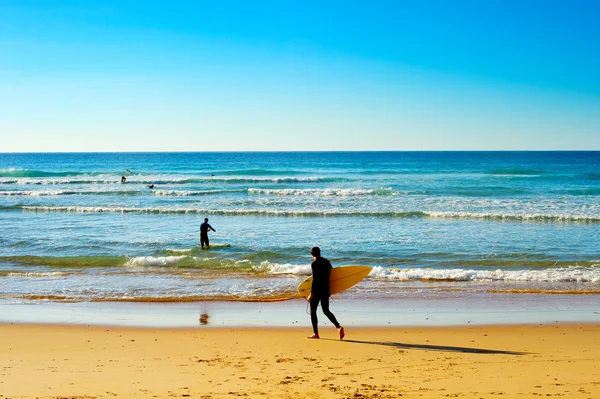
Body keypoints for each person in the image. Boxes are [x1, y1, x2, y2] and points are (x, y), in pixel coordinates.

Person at [307, 246, 345, 340]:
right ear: (320, 252)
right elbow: (332, 276)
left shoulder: (314, 264)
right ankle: (338, 327)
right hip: (325, 289)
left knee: (313, 312)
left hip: (317, 290)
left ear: (312, 254)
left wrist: (311, 293)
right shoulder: (327, 262)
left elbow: (315, 280)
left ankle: (316, 334)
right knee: (326, 311)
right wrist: (330, 290)